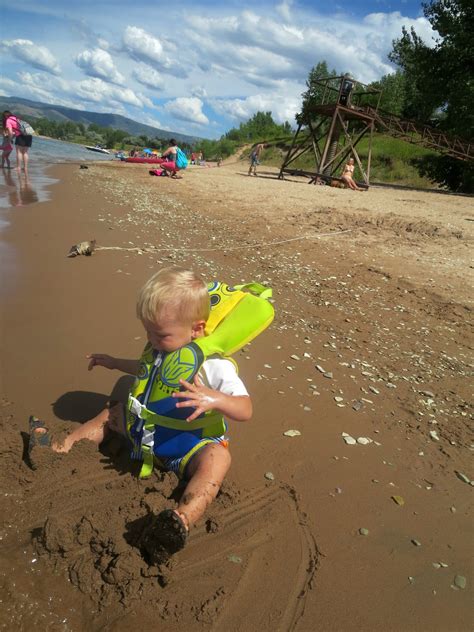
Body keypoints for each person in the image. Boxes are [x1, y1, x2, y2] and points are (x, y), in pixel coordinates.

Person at [28, 267, 253, 555]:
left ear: (196, 329)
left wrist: (215, 399)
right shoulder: (161, 347)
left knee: (218, 458)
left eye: (159, 334)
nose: (151, 339)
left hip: (184, 450)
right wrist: (114, 362)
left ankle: (178, 521)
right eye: (147, 330)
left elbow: (245, 409)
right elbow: (146, 370)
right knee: (112, 413)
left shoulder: (213, 365)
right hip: (144, 436)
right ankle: (59, 448)